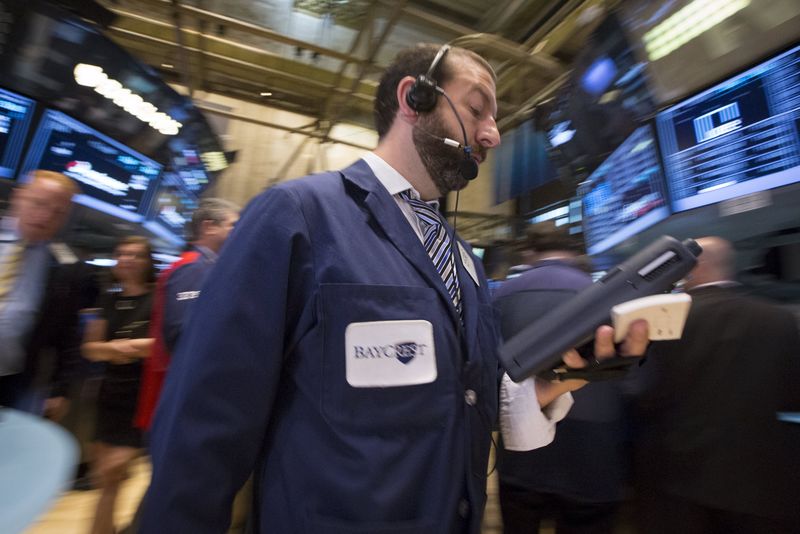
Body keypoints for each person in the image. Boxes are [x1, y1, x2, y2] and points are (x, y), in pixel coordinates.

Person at [139, 43, 648, 534]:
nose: (492, 135)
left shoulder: (461, 258)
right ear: (414, 99)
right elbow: (205, 417)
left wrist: (560, 378)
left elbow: (465, 395)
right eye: (477, 109)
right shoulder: (299, 215)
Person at [633, 236, 800, 534]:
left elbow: (643, 394)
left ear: (694, 269)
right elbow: (792, 398)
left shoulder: (664, 323)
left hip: (681, 479)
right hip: (762, 482)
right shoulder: (780, 320)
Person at [493, 225, 630, 534]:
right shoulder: (612, 295)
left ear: (529, 253)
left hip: (521, 456)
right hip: (593, 455)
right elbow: (636, 382)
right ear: (577, 254)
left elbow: (487, 369)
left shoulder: (502, 294)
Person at [135, 198, 240, 431]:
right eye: (234, 225)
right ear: (209, 226)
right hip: (186, 393)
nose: (239, 232)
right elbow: (183, 334)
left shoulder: (204, 266)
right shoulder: (194, 268)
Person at [0, 170, 96, 417]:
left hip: (11, 381)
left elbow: (67, 334)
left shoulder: (65, 267)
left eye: (58, 212)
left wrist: (60, 389)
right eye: (39, 203)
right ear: (19, 197)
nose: (45, 217)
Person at [81, 236, 156, 534]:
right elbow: (91, 347)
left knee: (114, 470)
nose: (127, 260)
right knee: (105, 480)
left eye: (135, 255)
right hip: (109, 393)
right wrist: (122, 349)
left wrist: (121, 348)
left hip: (142, 393)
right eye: (122, 254)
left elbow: (162, 345)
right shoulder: (107, 299)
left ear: (147, 262)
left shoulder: (158, 297)